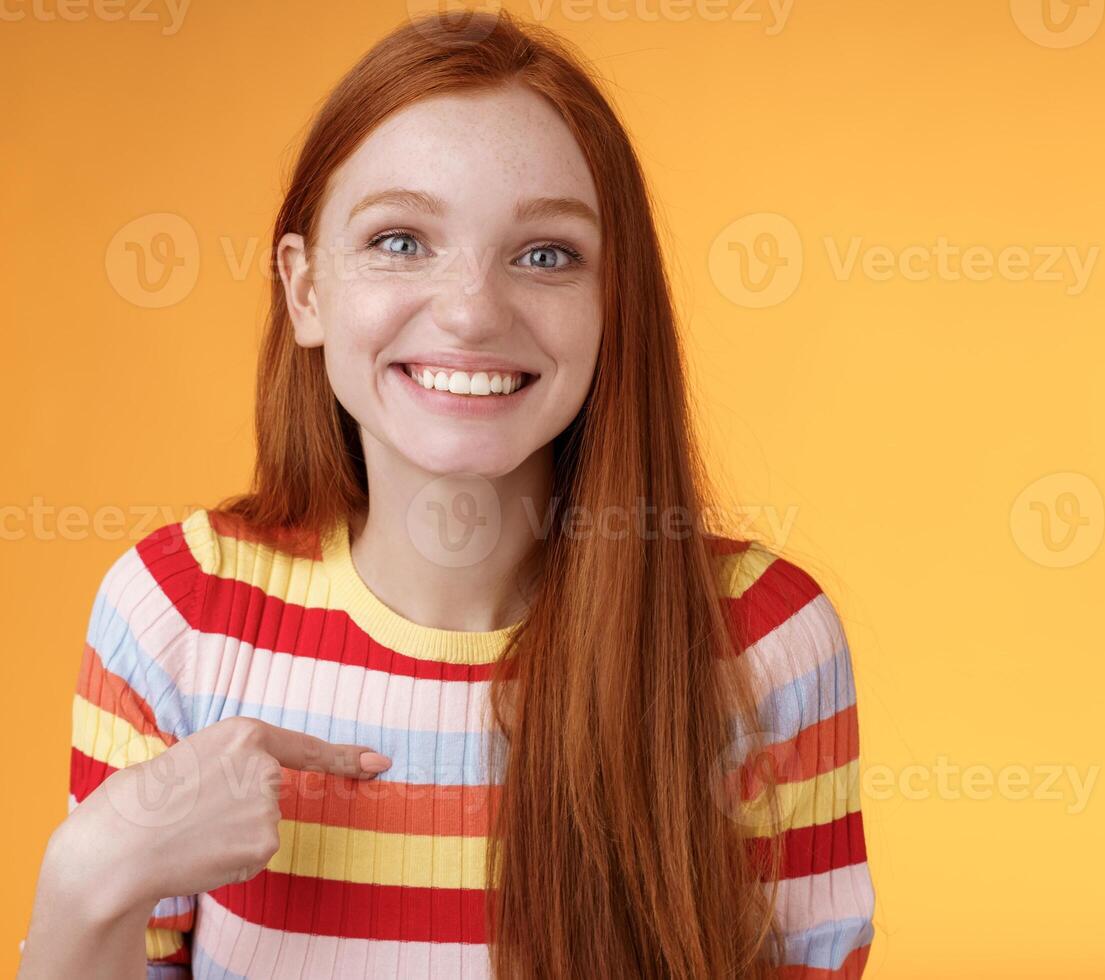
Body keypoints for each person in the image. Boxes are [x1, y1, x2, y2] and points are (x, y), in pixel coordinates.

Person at [21, 11, 873, 978]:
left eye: (546, 253)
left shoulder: (765, 643)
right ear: (305, 292)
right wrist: (88, 874)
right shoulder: (177, 611)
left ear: (612, 303)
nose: (471, 311)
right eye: (399, 240)